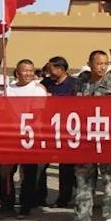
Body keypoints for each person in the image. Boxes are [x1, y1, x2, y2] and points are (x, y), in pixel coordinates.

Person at [62, 50, 111, 221]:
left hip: (106, 138)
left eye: (106, 63)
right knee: (83, 179)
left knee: (109, 180)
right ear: (89, 64)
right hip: (85, 139)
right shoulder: (80, 83)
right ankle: (81, 218)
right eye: (99, 63)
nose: (103, 67)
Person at [0, 60, 48, 218]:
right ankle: (6, 205)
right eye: (25, 71)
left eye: (31, 70)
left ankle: (25, 207)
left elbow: (37, 114)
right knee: (5, 172)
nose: (29, 74)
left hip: (30, 136)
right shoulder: (8, 90)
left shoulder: (38, 89)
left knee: (28, 174)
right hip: (10, 137)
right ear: (17, 73)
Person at [41, 56, 78, 208]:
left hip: (67, 131)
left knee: (66, 168)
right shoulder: (45, 84)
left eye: (51, 69)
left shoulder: (74, 84)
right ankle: (39, 197)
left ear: (61, 69)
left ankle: (64, 198)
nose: (49, 72)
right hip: (47, 130)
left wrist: (54, 98)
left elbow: (76, 103)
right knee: (40, 165)